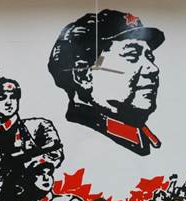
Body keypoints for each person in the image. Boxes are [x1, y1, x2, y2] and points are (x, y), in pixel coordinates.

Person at [48, 9, 165, 156]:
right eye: (132, 55)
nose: (153, 69)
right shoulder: (82, 143)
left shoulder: (138, 137)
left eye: (150, 57)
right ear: (83, 75)